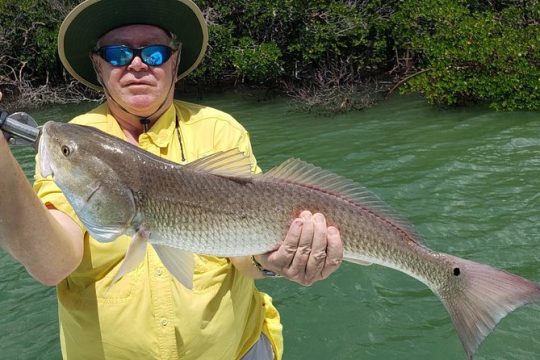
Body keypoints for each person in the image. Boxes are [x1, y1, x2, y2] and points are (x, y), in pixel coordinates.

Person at [0, 0, 347, 359]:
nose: (137, 64)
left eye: (154, 52)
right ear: (98, 65)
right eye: (118, 54)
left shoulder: (220, 131)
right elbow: (52, 262)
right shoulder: (75, 143)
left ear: (175, 60)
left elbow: (245, 257)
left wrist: (274, 261)